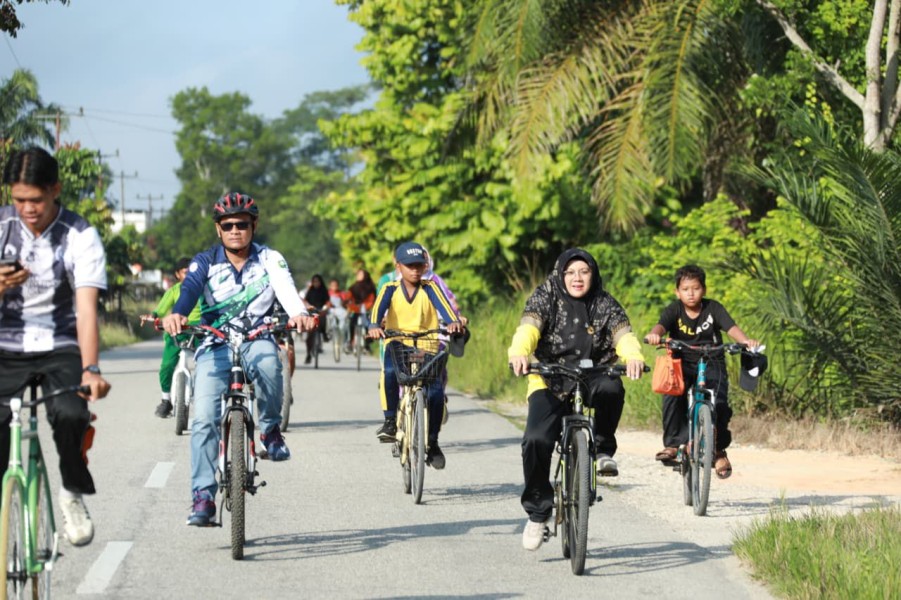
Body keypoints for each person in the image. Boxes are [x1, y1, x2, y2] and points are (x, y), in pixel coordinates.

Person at [162, 192, 316, 527]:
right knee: (202, 418)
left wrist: (299, 313)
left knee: (270, 363)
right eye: (228, 225)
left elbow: (286, 289)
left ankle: (271, 431)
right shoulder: (204, 261)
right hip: (214, 345)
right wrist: (177, 314)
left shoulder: (270, 258)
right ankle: (202, 497)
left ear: (253, 226)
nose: (235, 230)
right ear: (218, 229)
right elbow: (189, 289)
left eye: (242, 224)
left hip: (256, 338)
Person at [0, 147, 112, 546]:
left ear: (55, 190)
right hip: (4, 344)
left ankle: (71, 493)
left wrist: (91, 370)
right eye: (18, 200)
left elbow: (85, 309)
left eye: (36, 200)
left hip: (60, 342)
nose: (27, 209)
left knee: (69, 413)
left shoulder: (80, 235)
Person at [508, 248, 645, 551]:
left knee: (612, 388)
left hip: (594, 372)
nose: (577, 278)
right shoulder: (546, 296)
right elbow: (528, 328)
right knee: (535, 440)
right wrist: (519, 352)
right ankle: (539, 513)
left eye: (584, 271)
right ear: (560, 274)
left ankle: (602, 450)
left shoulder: (604, 302)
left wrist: (633, 356)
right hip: (550, 377)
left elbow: (623, 334)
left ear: (593, 275)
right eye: (570, 272)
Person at [643, 264, 759, 480]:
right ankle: (673, 444)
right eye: (685, 289)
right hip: (681, 363)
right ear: (677, 291)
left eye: (695, 288)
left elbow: (731, 328)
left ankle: (718, 451)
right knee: (672, 396)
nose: (690, 293)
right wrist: (653, 335)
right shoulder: (673, 310)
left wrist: (746, 342)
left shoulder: (713, 308)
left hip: (712, 360)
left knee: (721, 405)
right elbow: (660, 326)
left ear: (703, 289)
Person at [368, 242, 464, 469]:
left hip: (426, 345)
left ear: (425, 265)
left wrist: (453, 323)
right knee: (389, 372)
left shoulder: (431, 287)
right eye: (409, 265)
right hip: (397, 343)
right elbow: (377, 312)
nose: (415, 270)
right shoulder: (389, 288)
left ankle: (432, 442)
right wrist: (374, 325)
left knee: (435, 391)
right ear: (398, 265)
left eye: (419, 265)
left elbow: (446, 309)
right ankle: (390, 421)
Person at [148, 257, 202, 417]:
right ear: (177, 275)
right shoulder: (173, 291)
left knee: (208, 364)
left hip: (199, 331)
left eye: (193, 272)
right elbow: (161, 308)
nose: (190, 276)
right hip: (176, 331)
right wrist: (154, 316)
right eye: (186, 273)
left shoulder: (203, 289)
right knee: (166, 366)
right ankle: (166, 400)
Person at [301, 274, 331, 364]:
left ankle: (324, 334)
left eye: (317, 282)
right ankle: (308, 354)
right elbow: (306, 301)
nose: (316, 283)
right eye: (314, 282)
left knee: (324, 319)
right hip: (312, 311)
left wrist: (325, 308)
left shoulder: (324, 291)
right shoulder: (310, 291)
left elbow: (328, 301)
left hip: (321, 311)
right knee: (309, 336)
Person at [346, 268, 376, 353]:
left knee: (368, 325)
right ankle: (350, 342)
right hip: (356, 309)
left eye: (360, 274)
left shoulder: (370, 287)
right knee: (351, 323)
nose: (358, 276)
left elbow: (372, 299)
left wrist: (366, 306)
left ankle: (367, 345)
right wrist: (352, 306)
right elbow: (349, 298)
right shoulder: (353, 287)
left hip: (366, 309)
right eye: (358, 274)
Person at [326, 278, 350, 349]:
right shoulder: (327, 293)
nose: (334, 287)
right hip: (331, 309)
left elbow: (345, 302)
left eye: (336, 285)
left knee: (344, 319)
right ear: (330, 286)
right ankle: (329, 331)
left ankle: (343, 334)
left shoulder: (341, 293)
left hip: (340, 309)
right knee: (329, 317)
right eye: (332, 285)